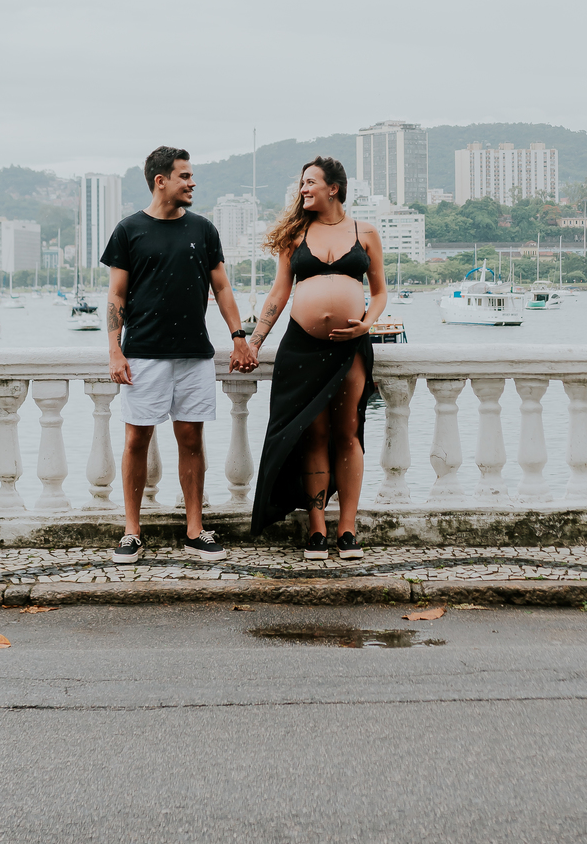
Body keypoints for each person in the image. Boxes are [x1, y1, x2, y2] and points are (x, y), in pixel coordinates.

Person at [102, 145, 254, 566]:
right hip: (143, 354)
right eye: (184, 176)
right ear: (161, 180)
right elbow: (116, 295)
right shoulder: (128, 230)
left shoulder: (202, 229)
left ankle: (194, 530)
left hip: (193, 354)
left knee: (191, 440)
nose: (192, 183)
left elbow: (222, 287)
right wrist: (114, 350)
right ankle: (132, 532)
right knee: (136, 440)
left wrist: (239, 337)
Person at [245, 156, 387, 560]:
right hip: (301, 347)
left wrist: (366, 325)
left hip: (350, 347)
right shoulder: (296, 234)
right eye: (302, 183)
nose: (303, 189)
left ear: (333, 188)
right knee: (314, 433)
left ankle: (348, 529)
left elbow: (379, 293)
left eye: (310, 182)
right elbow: (279, 293)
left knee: (348, 432)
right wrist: (254, 342)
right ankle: (317, 528)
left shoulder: (365, 233)